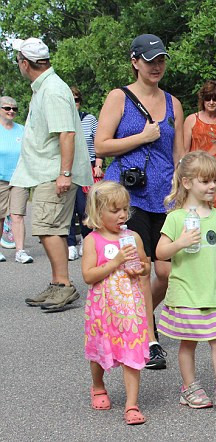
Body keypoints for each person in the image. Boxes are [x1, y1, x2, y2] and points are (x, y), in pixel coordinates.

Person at [96, 34, 184, 370]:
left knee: (166, 271)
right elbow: (101, 145)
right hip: (127, 200)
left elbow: (178, 154)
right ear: (135, 62)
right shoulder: (119, 97)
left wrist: (182, 191)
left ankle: (143, 317)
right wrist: (142, 137)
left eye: (161, 60)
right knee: (140, 269)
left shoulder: (173, 103)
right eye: (149, 61)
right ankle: (149, 340)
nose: (156, 66)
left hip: (164, 197)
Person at [12, 38, 93, 312]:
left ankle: (64, 285)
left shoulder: (53, 90)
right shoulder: (45, 87)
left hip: (54, 172)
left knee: (49, 229)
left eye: (18, 61)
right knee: (51, 229)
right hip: (46, 171)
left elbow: (66, 133)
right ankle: (57, 283)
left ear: (25, 63)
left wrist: (64, 173)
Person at [155, 151, 216, 414]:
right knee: (188, 342)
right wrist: (180, 243)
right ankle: (189, 387)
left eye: (215, 180)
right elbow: (160, 252)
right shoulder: (176, 218)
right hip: (186, 292)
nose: (212, 186)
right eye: (205, 181)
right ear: (187, 183)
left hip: (212, 293)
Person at [81, 180, 150, 425]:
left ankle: (132, 404)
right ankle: (98, 385)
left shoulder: (133, 236)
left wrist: (139, 268)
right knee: (100, 350)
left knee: (131, 351)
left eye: (124, 209)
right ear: (98, 212)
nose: (122, 215)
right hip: (103, 310)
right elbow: (88, 275)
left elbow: (145, 265)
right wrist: (115, 262)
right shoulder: (93, 240)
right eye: (115, 210)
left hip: (130, 308)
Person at [183, 80, 216, 214]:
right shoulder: (191, 120)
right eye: (208, 98)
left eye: (215, 99)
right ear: (203, 100)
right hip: (197, 175)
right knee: (197, 214)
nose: (211, 102)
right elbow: (184, 152)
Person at [67, 86, 102, 260]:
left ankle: (87, 241)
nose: (74, 104)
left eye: (76, 100)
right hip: (67, 167)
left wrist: (99, 163)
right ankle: (70, 244)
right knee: (68, 208)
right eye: (70, 100)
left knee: (85, 207)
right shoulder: (62, 120)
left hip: (87, 166)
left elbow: (99, 143)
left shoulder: (89, 119)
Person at [0, 95, 33, 264]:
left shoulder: (22, 129)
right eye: (7, 108)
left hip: (20, 178)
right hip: (1, 179)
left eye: (14, 109)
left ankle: (20, 251)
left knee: (17, 214)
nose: (11, 111)